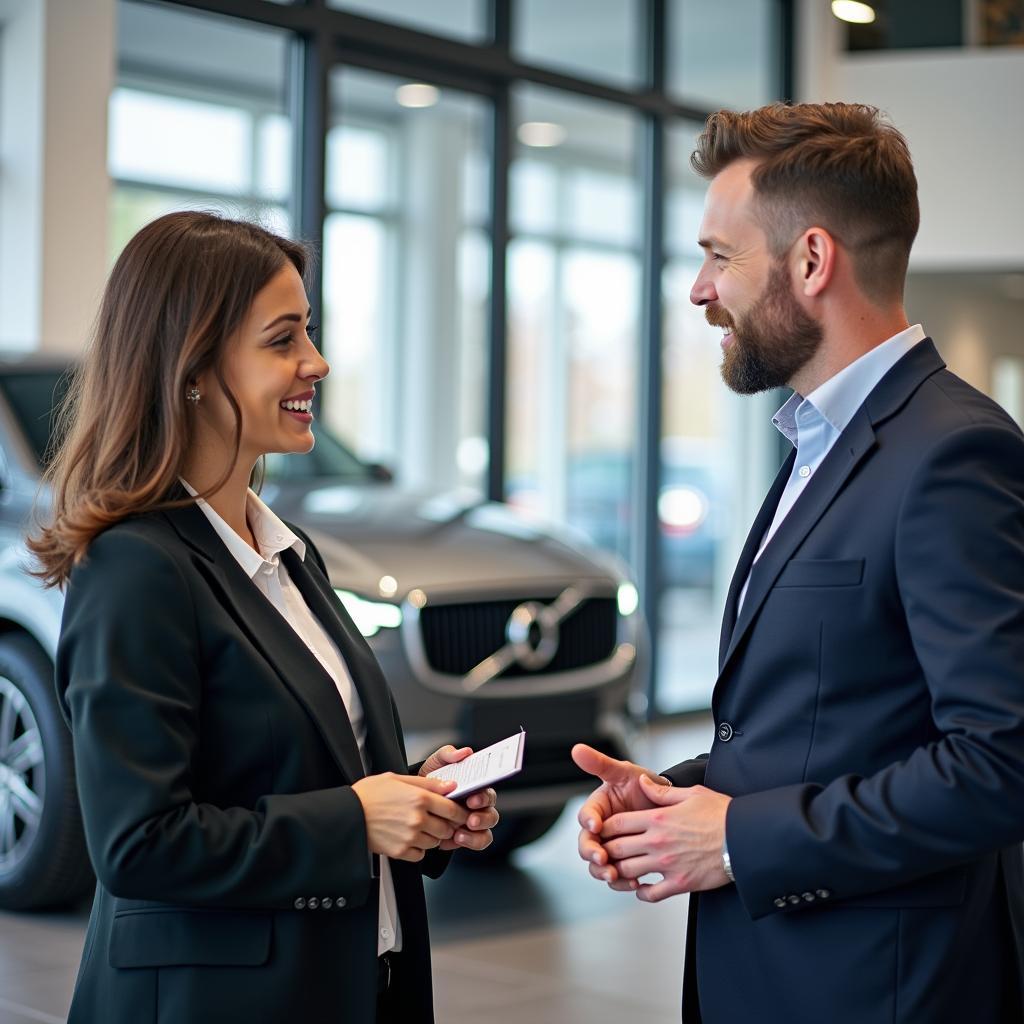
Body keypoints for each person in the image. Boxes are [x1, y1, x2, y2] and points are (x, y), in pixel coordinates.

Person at [573, 102, 1024, 1023]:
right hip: (778, 971)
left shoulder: (952, 452)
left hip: (878, 989)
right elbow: (839, 720)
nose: (701, 290)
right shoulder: (819, 441)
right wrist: (679, 803)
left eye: (720, 255)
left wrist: (739, 836)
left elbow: (1002, 762)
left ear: (811, 261)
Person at [29, 211, 499, 1024]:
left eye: (308, 332)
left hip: (353, 981)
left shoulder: (288, 553)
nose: (316, 362)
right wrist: (356, 818)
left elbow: (300, 765)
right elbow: (139, 843)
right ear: (193, 369)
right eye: (283, 340)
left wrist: (420, 799)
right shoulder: (136, 568)